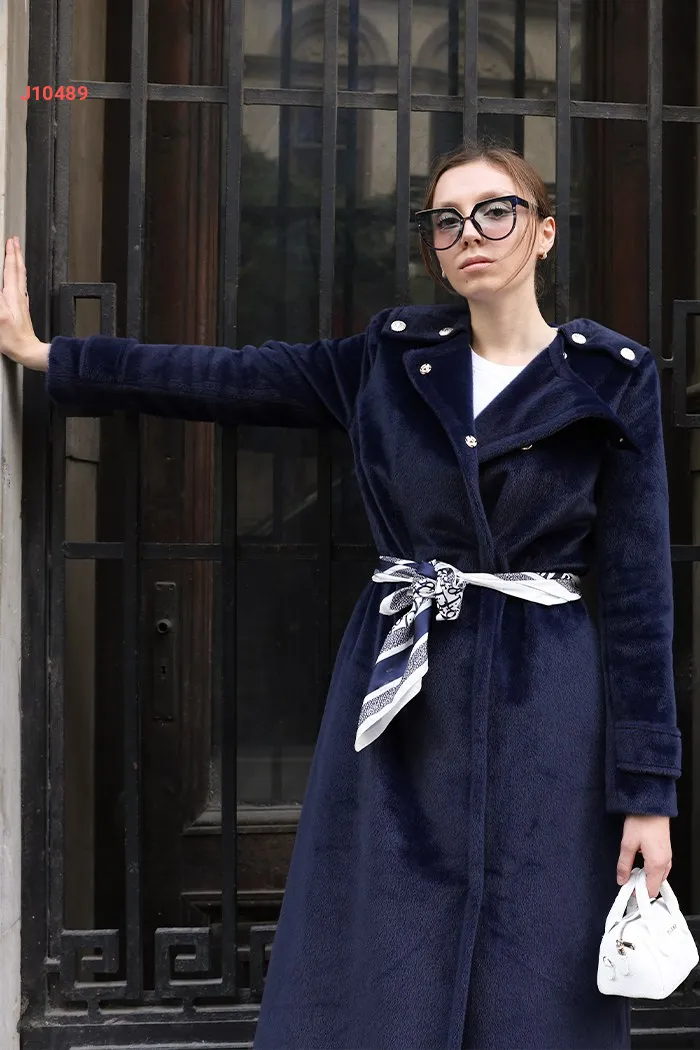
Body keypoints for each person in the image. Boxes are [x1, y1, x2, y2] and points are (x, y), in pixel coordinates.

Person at [0, 143, 681, 1050]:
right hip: (402, 701)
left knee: (535, 961)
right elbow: (231, 378)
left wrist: (648, 794)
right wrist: (51, 356)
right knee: (387, 955)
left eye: (496, 211)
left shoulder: (611, 379)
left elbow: (638, 597)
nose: (470, 234)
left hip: (548, 705)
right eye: (446, 220)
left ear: (545, 231)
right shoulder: (390, 361)